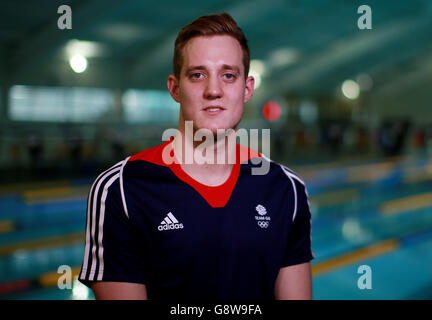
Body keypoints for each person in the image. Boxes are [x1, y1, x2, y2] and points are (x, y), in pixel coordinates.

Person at [78, 12, 314, 300]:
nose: (213, 90)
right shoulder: (122, 190)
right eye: (197, 75)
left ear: (247, 89)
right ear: (175, 88)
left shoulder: (286, 189)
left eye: (228, 75)